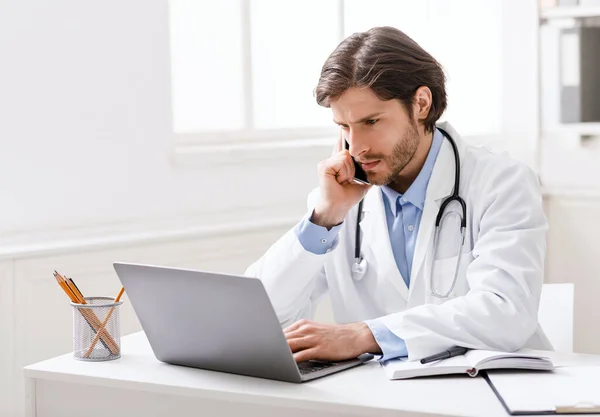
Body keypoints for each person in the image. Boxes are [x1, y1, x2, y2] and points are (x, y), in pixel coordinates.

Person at [245, 26, 552, 363]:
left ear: (421, 103)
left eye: (371, 122)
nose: (356, 147)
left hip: (496, 395)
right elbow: (259, 314)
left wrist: (365, 335)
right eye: (344, 127)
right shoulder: (337, 205)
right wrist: (325, 218)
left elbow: (505, 312)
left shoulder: (501, 183)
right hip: (384, 401)